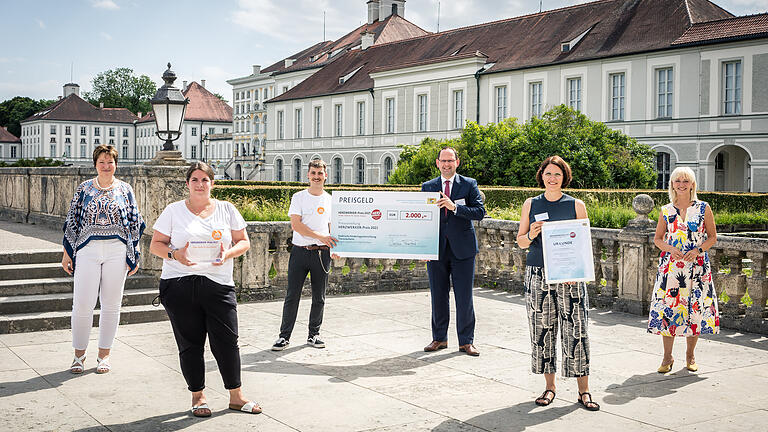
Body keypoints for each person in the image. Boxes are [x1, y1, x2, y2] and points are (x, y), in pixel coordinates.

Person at [149, 162, 260, 417]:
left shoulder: (226, 209)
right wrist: (175, 254)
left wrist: (228, 252)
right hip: (179, 285)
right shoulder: (173, 211)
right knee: (190, 344)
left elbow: (244, 241)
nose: (200, 184)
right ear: (187, 184)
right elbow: (156, 244)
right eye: (195, 180)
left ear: (213, 183)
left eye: (205, 180)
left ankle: (236, 396)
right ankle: (198, 397)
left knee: (228, 342)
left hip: (218, 284)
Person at [516, 155, 599, 411]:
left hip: (569, 276)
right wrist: (531, 233)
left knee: (576, 329)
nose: (552, 178)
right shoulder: (531, 204)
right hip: (538, 273)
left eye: (557, 174)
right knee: (543, 330)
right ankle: (549, 387)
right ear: (541, 175)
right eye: (548, 173)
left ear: (565, 177)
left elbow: (584, 244)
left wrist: (579, 270)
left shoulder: (576, 205)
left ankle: (583, 390)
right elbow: (520, 241)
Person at [62, 145, 145, 375]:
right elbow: (72, 220)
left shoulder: (125, 189)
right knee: (82, 304)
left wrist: (134, 253)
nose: (106, 166)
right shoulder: (84, 189)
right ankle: (79, 355)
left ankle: (104, 355)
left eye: (110, 162)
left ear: (116, 164)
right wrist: (67, 252)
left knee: (111, 304)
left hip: (117, 250)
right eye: (102, 162)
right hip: (88, 249)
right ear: (95, 164)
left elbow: (134, 221)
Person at [648, 167, 719, 373]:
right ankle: (667, 357)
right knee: (669, 309)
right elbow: (657, 239)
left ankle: (690, 355)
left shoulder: (703, 208)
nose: (681, 184)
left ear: (692, 184)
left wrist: (698, 250)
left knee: (694, 310)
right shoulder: (666, 210)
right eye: (677, 180)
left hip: (697, 268)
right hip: (671, 268)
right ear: (672, 184)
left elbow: (713, 237)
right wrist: (670, 249)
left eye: (685, 181)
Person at [421, 147, 485, 357]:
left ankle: (466, 342)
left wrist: (455, 207)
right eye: (443, 161)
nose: (447, 164)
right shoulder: (428, 186)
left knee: (464, 297)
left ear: (457, 163)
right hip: (436, 249)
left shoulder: (468, 184)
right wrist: (421, 246)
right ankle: (439, 338)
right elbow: (421, 218)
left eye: (451, 161)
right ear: (437, 163)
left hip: (463, 250)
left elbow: (479, 212)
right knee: (438, 296)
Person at [272, 159, 337, 351]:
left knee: (320, 297)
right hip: (300, 252)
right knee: (292, 296)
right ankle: (284, 337)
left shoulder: (330, 200)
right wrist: (321, 237)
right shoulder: (298, 197)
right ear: (308, 175)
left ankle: (314, 334)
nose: (317, 177)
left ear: (326, 175)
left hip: (322, 254)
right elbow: (296, 226)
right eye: (313, 173)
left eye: (320, 173)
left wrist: (335, 249)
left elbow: (333, 228)